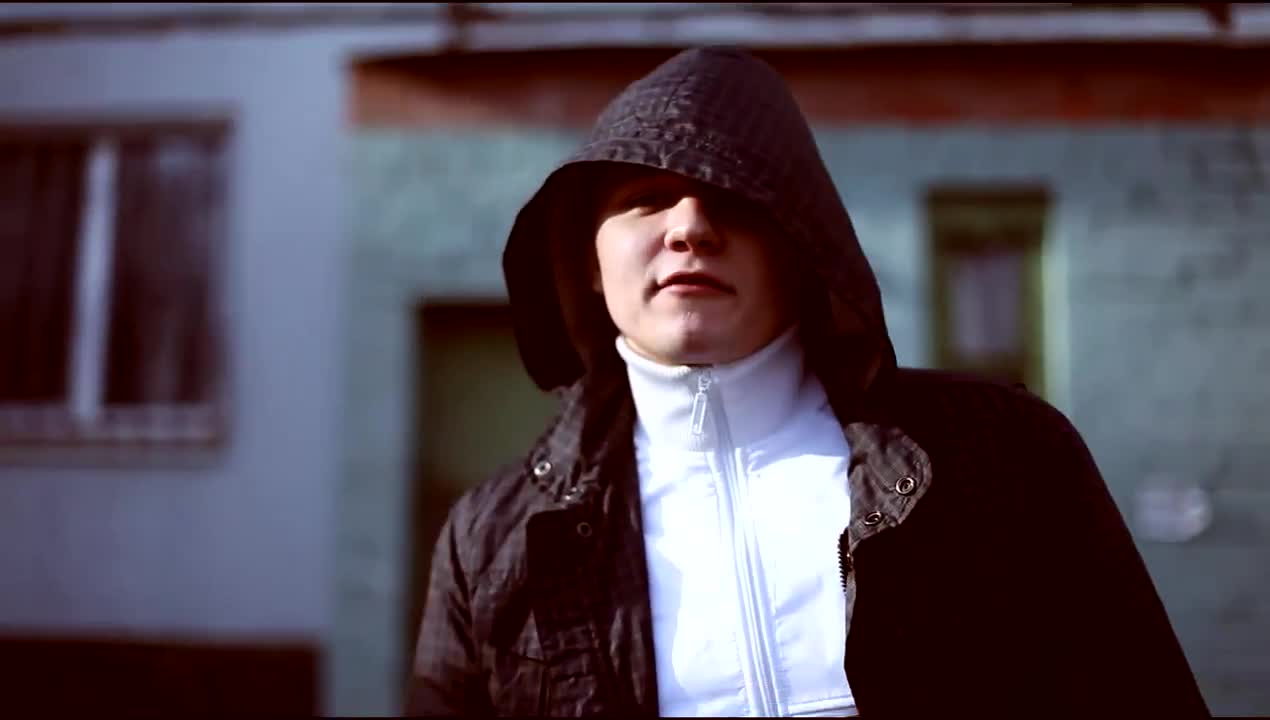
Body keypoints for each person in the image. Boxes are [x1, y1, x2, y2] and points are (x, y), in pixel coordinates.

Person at [406, 46, 1209, 717]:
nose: (689, 227)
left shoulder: (1004, 456)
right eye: (647, 200)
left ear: (800, 245)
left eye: (730, 198)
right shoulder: (491, 542)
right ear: (584, 259)